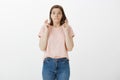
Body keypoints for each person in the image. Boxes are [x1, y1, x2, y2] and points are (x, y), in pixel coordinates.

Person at [38, 4, 75, 80]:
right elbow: (42, 47)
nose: (56, 15)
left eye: (59, 13)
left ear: (62, 15)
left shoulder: (67, 27)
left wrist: (65, 31)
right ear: (50, 15)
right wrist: (46, 31)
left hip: (63, 64)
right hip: (48, 63)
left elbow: (70, 48)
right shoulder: (45, 27)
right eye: (53, 13)